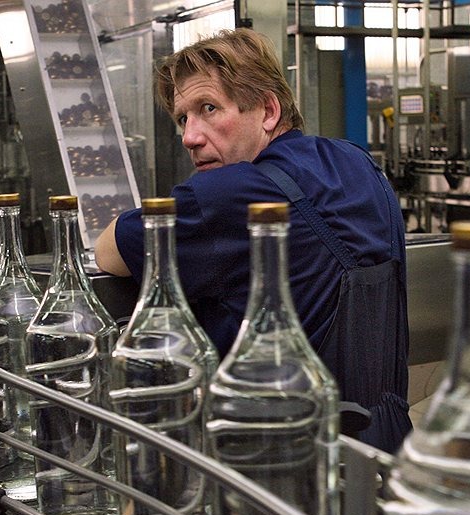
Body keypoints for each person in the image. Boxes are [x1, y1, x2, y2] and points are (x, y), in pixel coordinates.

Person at [95, 28, 410, 453]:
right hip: (384, 444)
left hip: (285, 459)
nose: (189, 137)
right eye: (183, 119)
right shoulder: (355, 161)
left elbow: (109, 250)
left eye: (208, 109)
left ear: (268, 111)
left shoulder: (230, 195)